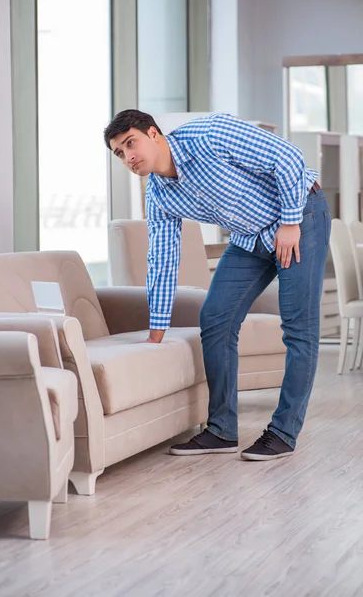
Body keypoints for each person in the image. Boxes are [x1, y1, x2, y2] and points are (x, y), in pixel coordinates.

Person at [104, 109, 331, 461]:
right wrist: (157, 326)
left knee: (298, 327)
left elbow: (288, 158)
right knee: (215, 319)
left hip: (300, 214)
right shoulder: (160, 196)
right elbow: (162, 259)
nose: (128, 157)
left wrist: (289, 222)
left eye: (130, 143)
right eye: (119, 152)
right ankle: (222, 429)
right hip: (249, 237)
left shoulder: (209, 134)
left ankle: (283, 432)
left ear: (153, 133)